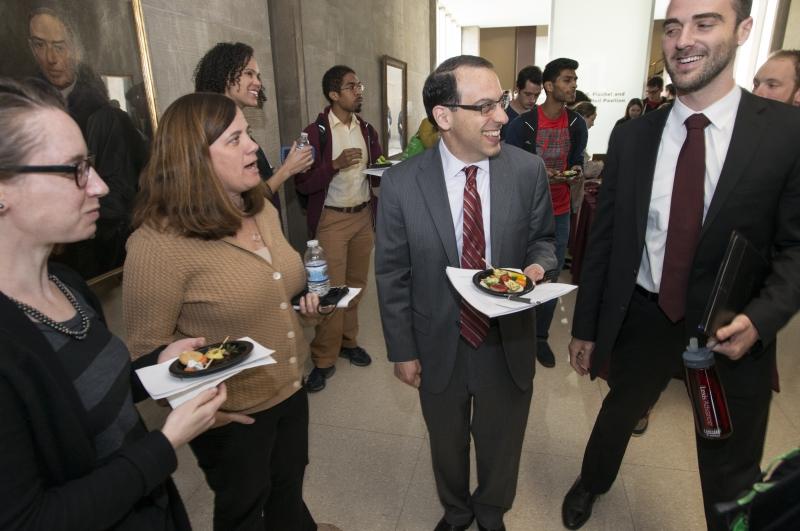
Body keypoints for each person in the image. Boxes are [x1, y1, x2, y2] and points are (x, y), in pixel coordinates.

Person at [561, 0, 800, 529]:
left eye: (704, 23)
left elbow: (796, 247)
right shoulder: (634, 135)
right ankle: (591, 483)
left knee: (730, 462)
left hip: (731, 328)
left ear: (743, 30)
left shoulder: (786, 133)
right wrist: (585, 326)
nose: (683, 38)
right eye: (673, 26)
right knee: (619, 412)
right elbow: (604, 242)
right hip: (647, 315)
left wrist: (761, 318)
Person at [0, 77, 227, 530]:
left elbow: (94, 394)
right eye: (75, 169)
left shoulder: (67, 285)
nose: (100, 187)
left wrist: (157, 368)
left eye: (93, 165)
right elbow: (31, 519)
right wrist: (166, 443)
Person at [123, 93, 334, 530]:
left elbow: (280, 293)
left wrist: (306, 312)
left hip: (290, 390)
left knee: (287, 490)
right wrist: (196, 411)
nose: (253, 147)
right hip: (231, 416)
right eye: (234, 139)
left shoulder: (260, 206)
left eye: (248, 134)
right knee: (243, 509)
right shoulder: (158, 243)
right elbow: (145, 354)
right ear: (195, 159)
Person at [376, 54, 556, 531]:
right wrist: (402, 349)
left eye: (499, 102)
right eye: (485, 107)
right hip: (438, 339)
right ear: (444, 116)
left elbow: (544, 238)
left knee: (501, 439)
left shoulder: (527, 171)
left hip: (506, 338)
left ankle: (491, 510)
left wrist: (540, 264)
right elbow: (392, 274)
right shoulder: (400, 184)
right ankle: (456, 511)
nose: (502, 116)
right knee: (446, 441)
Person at [27, 7, 148, 279]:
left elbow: (119, 198)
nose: (50, 58)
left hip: (102, 259)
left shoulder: (107, 119)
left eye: (59, 46)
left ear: (77, 48)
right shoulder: (23, 112)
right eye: (39, 45)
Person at [295, 65, 383, 393]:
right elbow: (302, 183)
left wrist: (387, 170)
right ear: (334, 94)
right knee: (330, 291)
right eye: (351, 86)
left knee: (356, 286)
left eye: (358, 84)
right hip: (331, 220)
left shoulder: (367, 129)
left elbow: (376, 170)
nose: (359, 90)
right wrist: (334, 164)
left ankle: (348, 342)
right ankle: (323, 358)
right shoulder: (315, 132)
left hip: (363, 218)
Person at [504, 57, 588, 369]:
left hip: (560, 211)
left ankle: (540, 336)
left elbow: (577, 158)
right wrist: (542, 176)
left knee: (549, 277)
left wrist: (574, 170)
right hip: (524, 213)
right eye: (567, 79)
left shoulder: (577, 124)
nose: (573, 85)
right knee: (518, 272)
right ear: (550, 87)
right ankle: (513, 334)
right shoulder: (521, 125)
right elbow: (508, 169)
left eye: (575, 79)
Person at [194, 42, 313, 218]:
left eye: (258, 76)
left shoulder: (227, 123)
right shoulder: (213, 130)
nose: (257, 83)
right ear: (225, 76)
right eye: (249, 74)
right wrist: (286, 170)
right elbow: (242, 200)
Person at [500, 65, 542, 138]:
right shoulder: (502, 113)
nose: (533, 100)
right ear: (517, 88)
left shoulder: (540, 114)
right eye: (528, 94)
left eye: (536, 95)